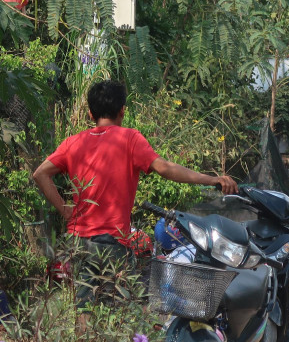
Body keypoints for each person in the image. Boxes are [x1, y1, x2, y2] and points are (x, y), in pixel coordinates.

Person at [32, 80, 238, 316]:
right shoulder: (129, 138)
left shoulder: (73, 142)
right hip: (112, 242)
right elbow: (165, 168)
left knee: (84, 310)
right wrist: (211, 179)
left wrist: (64, 209)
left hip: (78, 241)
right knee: (116, 313)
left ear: (90, 113)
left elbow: (40, 174)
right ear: (122, 111)